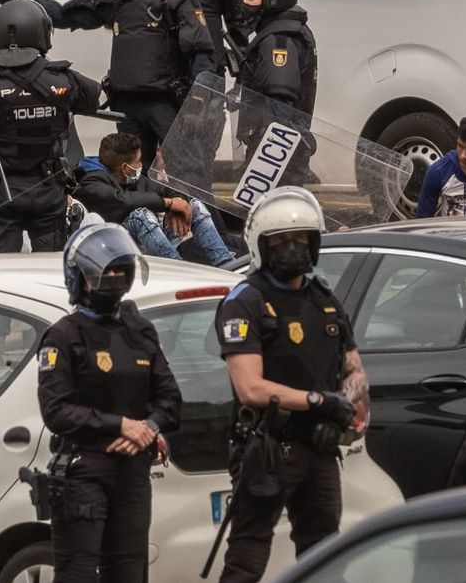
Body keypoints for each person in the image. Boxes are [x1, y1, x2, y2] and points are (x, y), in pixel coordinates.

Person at [214, 187, 367, 583]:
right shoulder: (245, 302)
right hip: (268, 446)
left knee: (325, 553)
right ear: (262, 246)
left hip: (320, 444)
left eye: (301, 240)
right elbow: (250, 388)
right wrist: (319, 402)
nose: (293, 249)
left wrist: (345, 409)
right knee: (248, 554)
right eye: (281, 242)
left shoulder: (325, 300)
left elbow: (355, 371)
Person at [0, 0, 216, 170]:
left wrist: (198, 104)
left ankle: (199, 211)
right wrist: (19, 2)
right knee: (130, 172)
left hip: (166, 105)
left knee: (188, 172)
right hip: (128, 105)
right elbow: (69, 14)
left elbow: (201, 53)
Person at [38, 223, 182, 582]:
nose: (114, 278)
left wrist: (147, 428)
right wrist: (120, 425)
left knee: (130, 573)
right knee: (79, 574)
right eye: (105, 272)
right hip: (84, 471)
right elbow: (56, 411)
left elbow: (170, 400)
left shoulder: (139, 330)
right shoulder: (63, 336)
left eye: (121, 270)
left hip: (133, 470)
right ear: (81, 279)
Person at [0, 0, 101, 254]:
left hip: (4, 192)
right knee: (49, 270)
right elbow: (93, 97)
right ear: (41, 33)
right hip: (49, 191)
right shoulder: (62, 78)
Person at [74, 132, 233, 266]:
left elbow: (167, 189)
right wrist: (167, 203)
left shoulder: (134, 179)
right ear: (124, 168)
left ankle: (226, 265)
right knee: (140, 215)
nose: (140, 165)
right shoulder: (91, 182)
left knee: (194, 205)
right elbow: (123, 201)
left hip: (151, 243)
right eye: (137, 162)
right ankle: (178, 269)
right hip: (119, 251)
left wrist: (177, 201)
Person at [231, 0, 319, 185]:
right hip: (278, 154)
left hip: (276, 156)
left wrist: (264, 169)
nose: (244, 4)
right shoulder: (282, 32)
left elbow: (280, 114)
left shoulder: (278, 42)